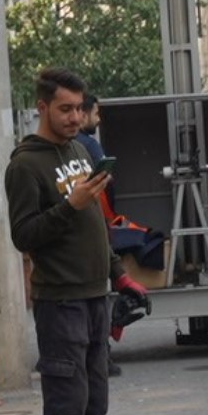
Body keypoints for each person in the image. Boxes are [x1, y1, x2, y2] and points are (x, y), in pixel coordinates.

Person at [5, 68, 150, 415]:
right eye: (64, 109)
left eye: (79, 109)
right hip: (60, 303)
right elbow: (23, 235)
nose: (74, 117)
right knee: (66, 405)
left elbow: (96, 227)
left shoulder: (79, 151)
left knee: (94, 404)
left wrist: (119, 277)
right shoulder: (25, 165)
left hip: (94, 298)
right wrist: (71, 205)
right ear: (42, 107)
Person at [74, 93, 125, 377]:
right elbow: (106, 184)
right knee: (98, 293)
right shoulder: (89, 145)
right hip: (95, 227)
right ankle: (101, 357)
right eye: (96, 113)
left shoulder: (67, 148)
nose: (98, 119)